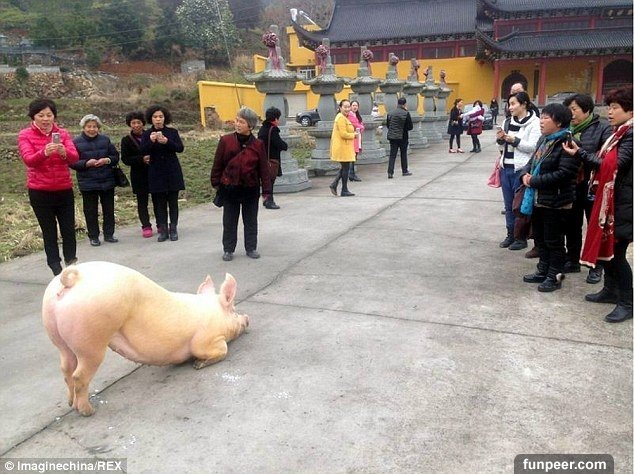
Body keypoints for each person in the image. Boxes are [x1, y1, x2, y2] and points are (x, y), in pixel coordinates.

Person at [565, 86, 633, 323]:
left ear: (631, 110)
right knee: (608, 251)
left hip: (623, 203)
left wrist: (580, 154)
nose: (610, 112)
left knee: (617, 254)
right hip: (612, 199)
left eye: (615, 107)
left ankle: (627, 302)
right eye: (609, 107)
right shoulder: (619, 132)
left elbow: (614, 166)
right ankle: (610, 290)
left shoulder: (630, 135)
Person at [520, 103, 579, 292]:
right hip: (539, 199)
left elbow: (565, 173)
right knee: (541, 238)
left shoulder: (567, 142)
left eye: (546, 118)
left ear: (559, 122)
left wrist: (534, 180)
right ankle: (543, 270)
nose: (541, 121)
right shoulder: (544, 140)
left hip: (557, 201)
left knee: (554, 241)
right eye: (542, 117)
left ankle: (555, 277)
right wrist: (525, 175)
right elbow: (531, 162)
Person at [18, 99, 80, 275]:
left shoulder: (63, 133)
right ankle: (55, 267)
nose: (45, 119)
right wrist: (44, 152)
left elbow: (75, 158)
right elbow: (29, 160)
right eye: (41, 115)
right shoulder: (25, 135)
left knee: (68, 229)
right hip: (40, 191)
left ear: (54, 116)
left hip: (63, 189)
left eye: (49, 115)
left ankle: (71, 263)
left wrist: (64, 152)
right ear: (33, 116)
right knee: (49, 231)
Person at [561, 94, 612, 283]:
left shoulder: (603, 128)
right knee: (572, 223)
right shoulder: (567, 128)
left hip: (593, 185)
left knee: (594, 225)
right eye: (569, 110)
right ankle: (572, 259)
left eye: (574, 109)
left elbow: (603, 160)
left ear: (587, 109)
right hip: (573, 183)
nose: (571, 114)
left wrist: (579, 153)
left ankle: (596, 266)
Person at [211, 106, 272, 261]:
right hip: (230, 189)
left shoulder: (258, 144)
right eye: (237, 120)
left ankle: (251, 247)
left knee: (250, 221)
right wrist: (217, 183)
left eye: (242, 122)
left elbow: (263, 169)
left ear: (250, 126)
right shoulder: (226, 141)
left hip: (250, 189)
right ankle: (228, 249)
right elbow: (218, 164)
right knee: (229, 221)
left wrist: (266, 190)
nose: (237, 124)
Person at [496, 91, 541, 250]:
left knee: (520, 206)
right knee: (508, 206)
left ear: (524, 104)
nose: (510, 107)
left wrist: (514, 140)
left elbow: (533, 147)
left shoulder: (535, 123)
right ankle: (510, 235)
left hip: (521, 170)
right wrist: (501, 139)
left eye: (513, 104)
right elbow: (502, 146)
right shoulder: (507, 122)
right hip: (506, 168)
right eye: (509, 104)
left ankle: (520, 238)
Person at [71, 114, 120, 247]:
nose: (92, 129)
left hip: (107, 179)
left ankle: (109, 234)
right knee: (90, 211)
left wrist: (107, 160)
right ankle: (94, 236)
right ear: (83, 127)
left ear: (98, 128)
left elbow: (115, 156)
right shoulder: (76, 142)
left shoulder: (105, 140)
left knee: (109, 209)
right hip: (87, 182)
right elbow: (72, 162)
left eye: (94, 126)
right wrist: (86, 163)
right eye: (89, 126)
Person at [140, 105, 185, 242]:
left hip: (172, 170)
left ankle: (173, 228)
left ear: (165, 118)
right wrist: (151, 141)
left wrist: (167, 142)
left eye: (160, 116)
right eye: (155, 117)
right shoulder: (147, 134)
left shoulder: (172, 132)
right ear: (151, 119)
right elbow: (143, 150)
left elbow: (180, 148)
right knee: (159, 203)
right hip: (156, 172)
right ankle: (163, 229)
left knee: (173, 202)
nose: (158, 119)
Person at [121, 111, 155, 237]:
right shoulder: (126, 140)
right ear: (129, 124)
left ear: (143, 123)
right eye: (133, 123)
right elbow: (125, 159)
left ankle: (161, 223)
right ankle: (146, 226)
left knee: (158, 200)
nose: (136, 125)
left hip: (154, 172)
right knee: (142, 202)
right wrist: (141, 159)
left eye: (138, 122)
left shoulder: (151, 135)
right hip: (138, 175)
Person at [257, 106, 287, 210]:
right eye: (278, 118)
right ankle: (269, 201)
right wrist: (285, 145)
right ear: (275, 119)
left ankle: (266, 200)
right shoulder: (272, 130)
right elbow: (279, 144)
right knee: (270, 181)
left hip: (262, 159)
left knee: (266, 181)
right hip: (271, 159)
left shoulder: (262, 129)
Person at [329, 99, 358, 195]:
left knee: (345, 167)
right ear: (340, 108)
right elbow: (343, 134)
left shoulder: (344, 117)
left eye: (348, 107)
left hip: (345, 146)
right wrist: (354, 135)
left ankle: (335, 184)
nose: (347, 109)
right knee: (345, 168)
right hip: (342, 147)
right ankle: (343, 190)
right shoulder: (341, 118)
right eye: (345, 107)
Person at [386, 97, 414, 178]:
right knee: (403, 154)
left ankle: (390, 172)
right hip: (403, 137)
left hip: (393, 137)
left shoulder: (390, 113)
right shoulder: (406, 113)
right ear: (405, 104)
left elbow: (388, 125)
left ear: (397, 103)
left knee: (392, 155)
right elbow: (410, 127)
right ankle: (404, 171)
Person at [347, 100, 364, 182]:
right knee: (352, 157)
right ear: (350, 106)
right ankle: (351, 174)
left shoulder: (357, 115)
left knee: (354, 157)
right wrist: (361, 127)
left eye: (356, 105)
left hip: (357, 137)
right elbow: (357, 125)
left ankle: (352, 174)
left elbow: (360, 125)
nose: (355, 107)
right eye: (353, 105)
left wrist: (360, 127)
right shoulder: (350, 115)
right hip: (353, 137)